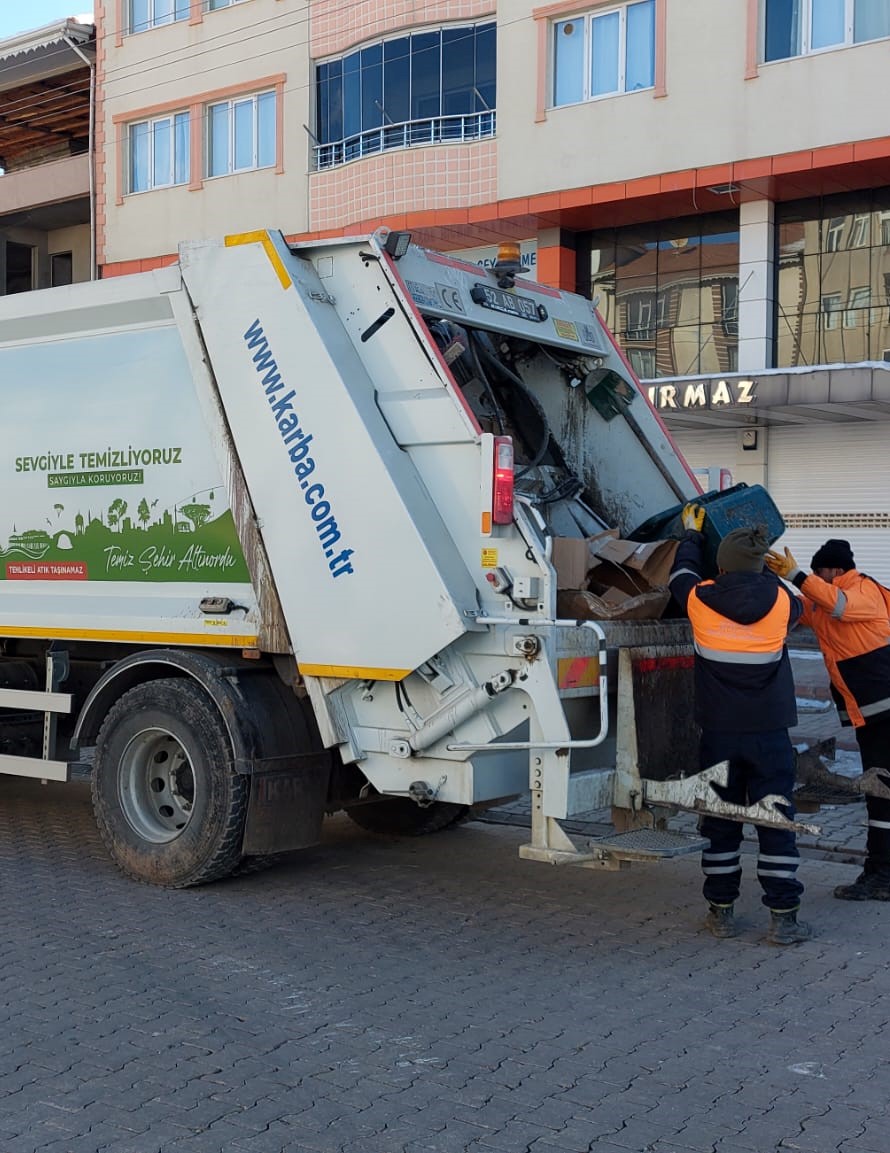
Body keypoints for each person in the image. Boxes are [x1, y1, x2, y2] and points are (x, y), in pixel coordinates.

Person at [669, 505, 810, 944]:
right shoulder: (785, 602)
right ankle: (783, 918)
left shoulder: (698, 599)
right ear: (763, 566)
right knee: (776, 820)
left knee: (721, 822)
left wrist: (691, 535)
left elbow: (681, 575)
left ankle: (721, 913)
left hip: (719, 734)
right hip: (770, 732)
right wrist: (773, 571)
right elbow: (799, 603)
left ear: (721, 565)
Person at [766, 538, 890, 901]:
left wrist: (798, 575)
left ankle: (882, 876)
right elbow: (799, 607)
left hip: (885, 711)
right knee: (880, 792)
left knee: (881, 793)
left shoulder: (863, 590)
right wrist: (766, 576)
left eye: (819, 573)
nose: (815, 580)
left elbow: (839, 605)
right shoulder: (825, 601)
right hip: (871, 714)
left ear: (835, 570)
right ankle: (881, 872)